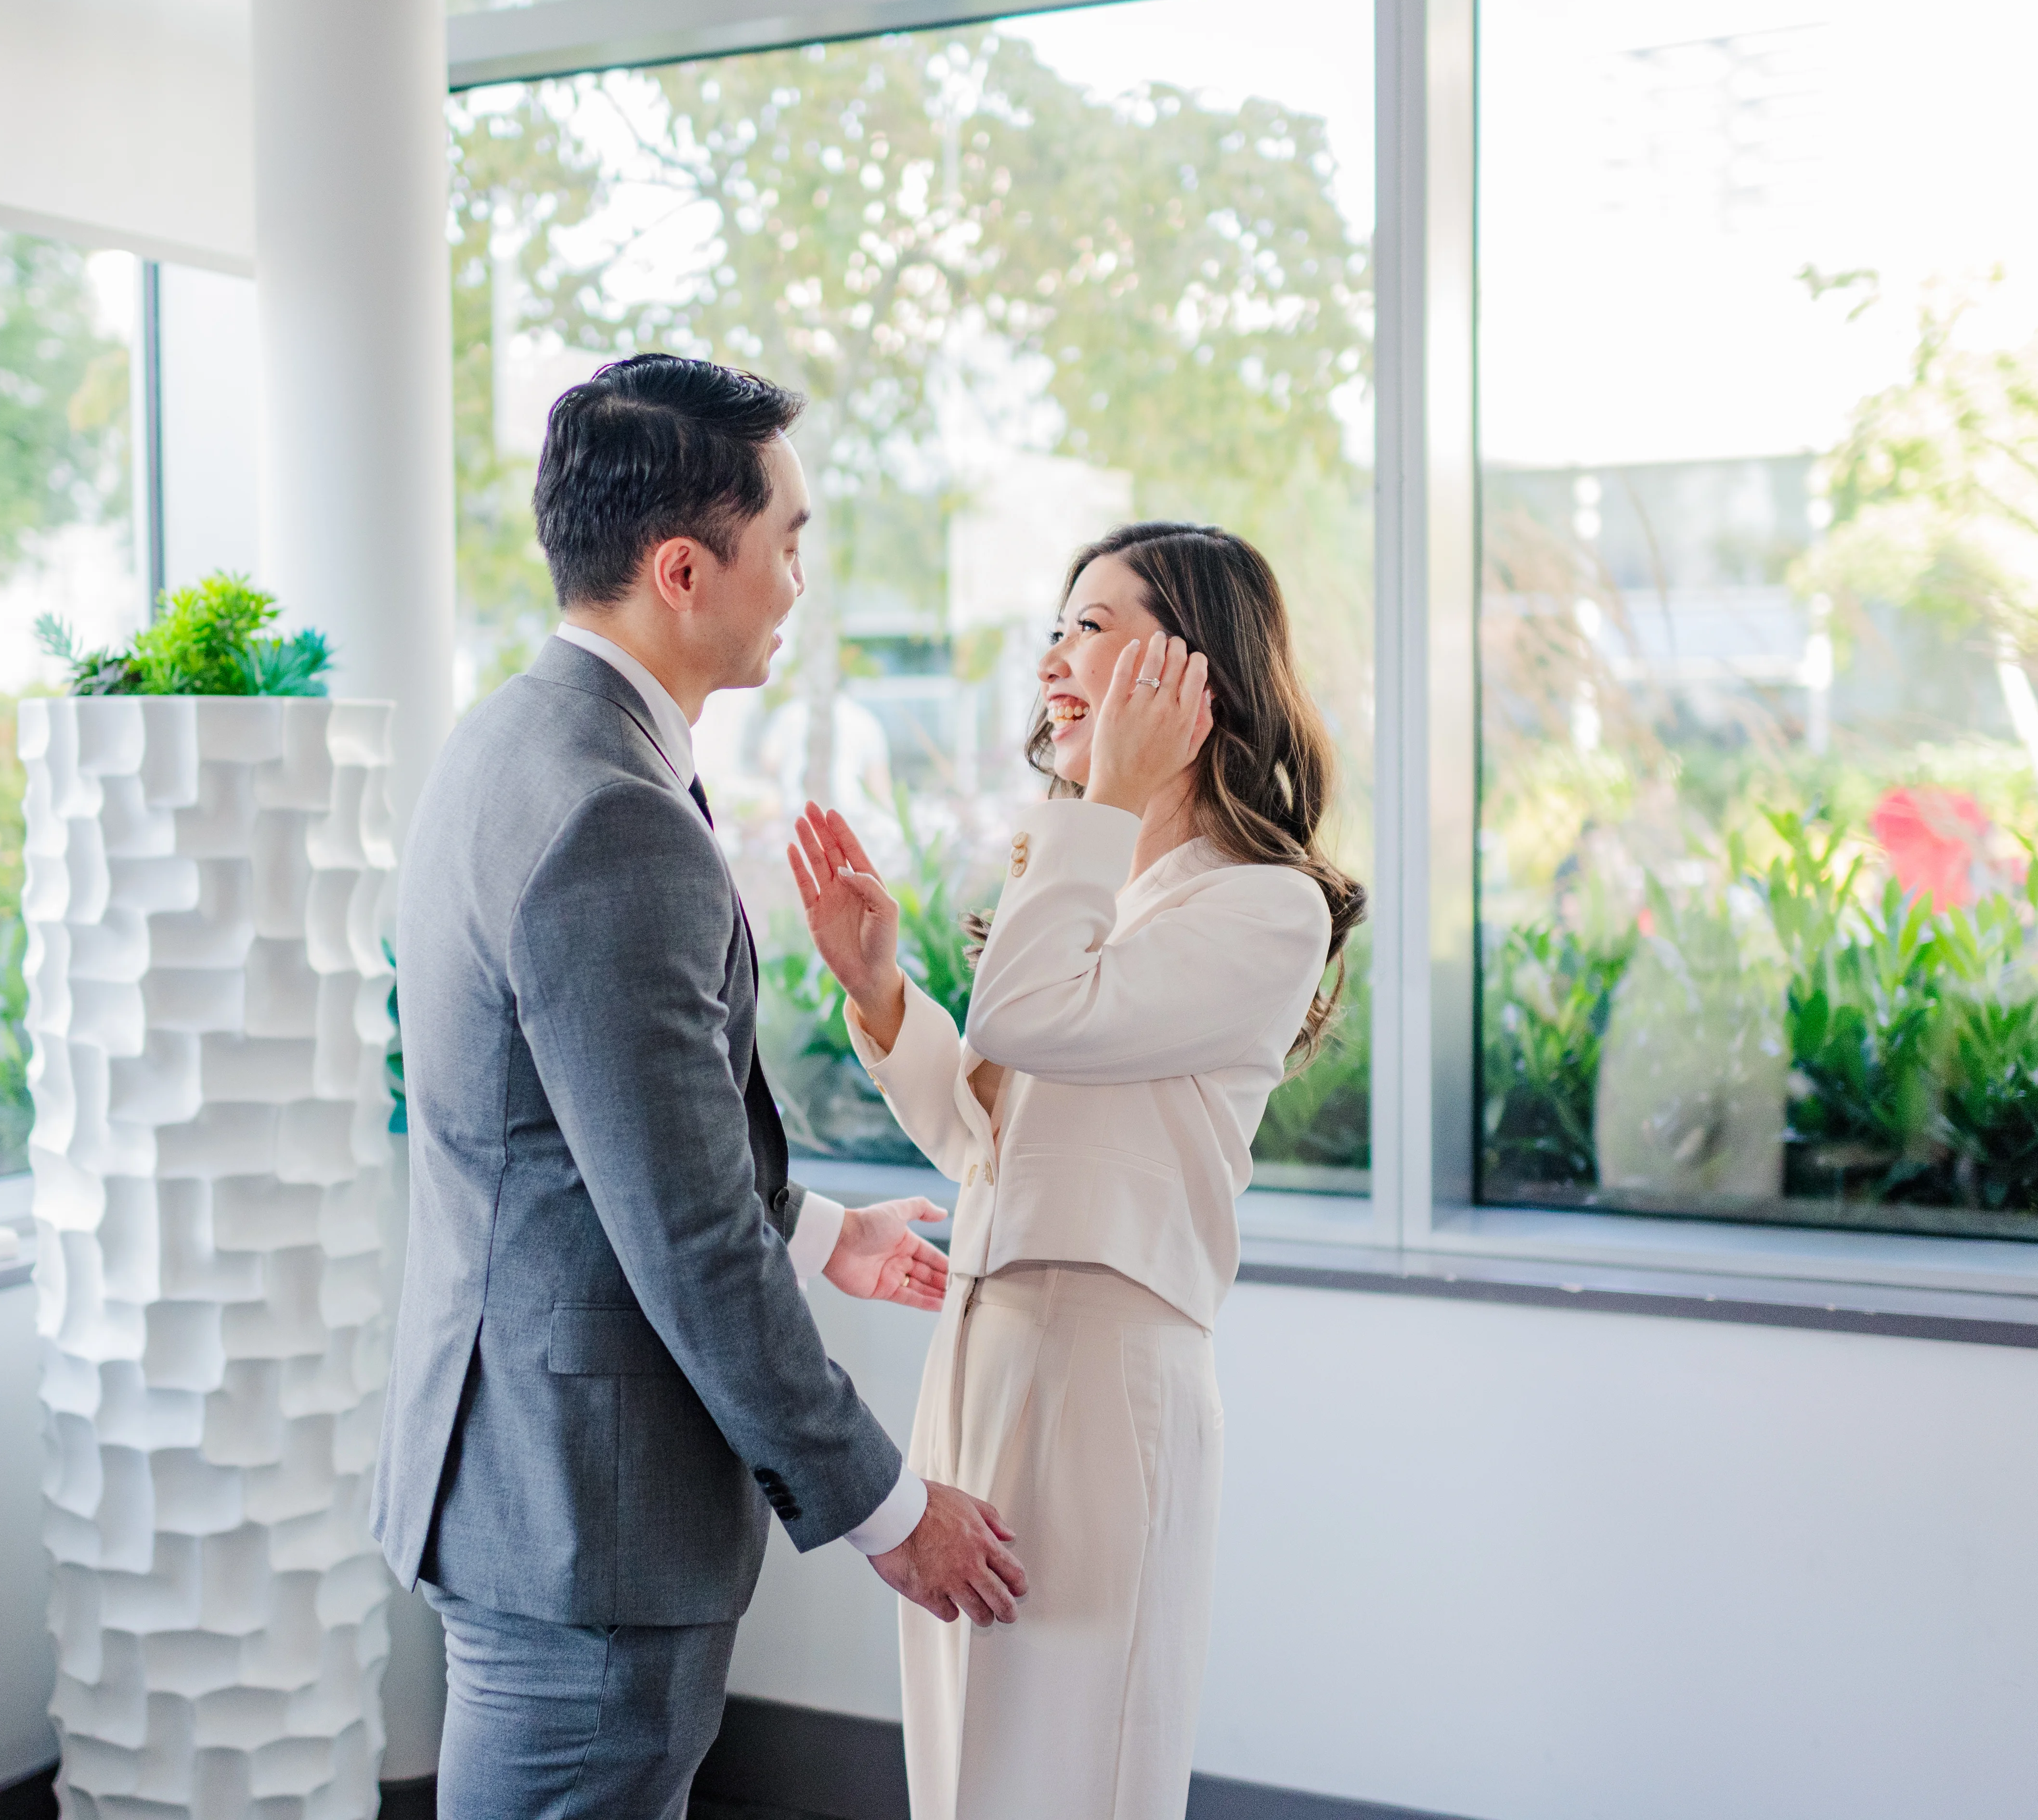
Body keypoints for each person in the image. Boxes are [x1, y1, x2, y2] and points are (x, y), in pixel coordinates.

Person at [372, 353, 1028, 1820]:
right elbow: (677, 1233)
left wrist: (818, 1230)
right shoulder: (613, 812)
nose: (800, 580)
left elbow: (594, 1146)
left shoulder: (512, 741)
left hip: (527, 1487)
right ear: (683, 568)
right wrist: (886, 1509)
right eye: (787, 538)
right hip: (586, 1523)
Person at [789, 521, 1365, 1820]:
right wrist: (879, 991)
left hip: (1104, 1364)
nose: (1054, 656)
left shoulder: (1261, 908)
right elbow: (991, 1137)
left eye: (1091, 627)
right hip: (985, 1346)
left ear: (1193, 669)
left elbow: (1025, 1021)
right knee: (964, 1766)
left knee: (1065, 1771)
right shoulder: (1095, 874)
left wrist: (1096, 809)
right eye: (1058, 624)